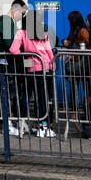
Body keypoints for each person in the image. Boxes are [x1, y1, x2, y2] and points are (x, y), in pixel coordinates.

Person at [8, 9, 56, 137]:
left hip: (31, 69)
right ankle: (44, 127)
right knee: (44, 98)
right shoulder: (42, 33)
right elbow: (49, 52)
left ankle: (23, 124)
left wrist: (26, 56)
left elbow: (13, 50)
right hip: (46, 67)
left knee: (28, 97)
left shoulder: (21, 33)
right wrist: (53, 64)